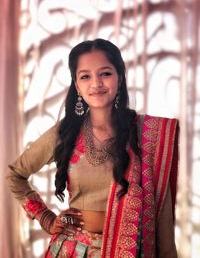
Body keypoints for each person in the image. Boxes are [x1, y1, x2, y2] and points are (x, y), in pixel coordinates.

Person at [6, 38, 179, 258]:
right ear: (77, 85)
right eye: (85, 76)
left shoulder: (148, 133)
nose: (96, 83)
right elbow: (15, 174)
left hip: (132, 252)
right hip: (74, 251)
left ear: (120, 77)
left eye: (105, 73)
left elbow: (162, 214)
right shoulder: (65, 132)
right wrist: (45, 217)